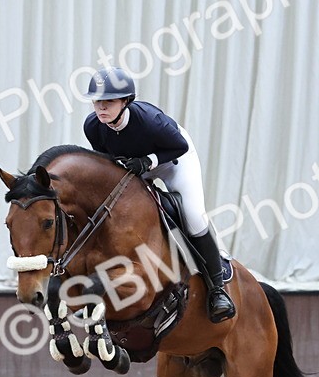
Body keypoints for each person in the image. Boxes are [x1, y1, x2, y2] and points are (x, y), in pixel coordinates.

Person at [82, 66, 236, 323]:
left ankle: (217, 289)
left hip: (173, 160)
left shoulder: (149, 120)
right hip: (137, 165)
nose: (101, 109)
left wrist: (148, 162)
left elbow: (180, 146)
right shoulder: (93, 127)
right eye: (97, 102)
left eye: (108, 102)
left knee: (194, 217)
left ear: (125, 101)